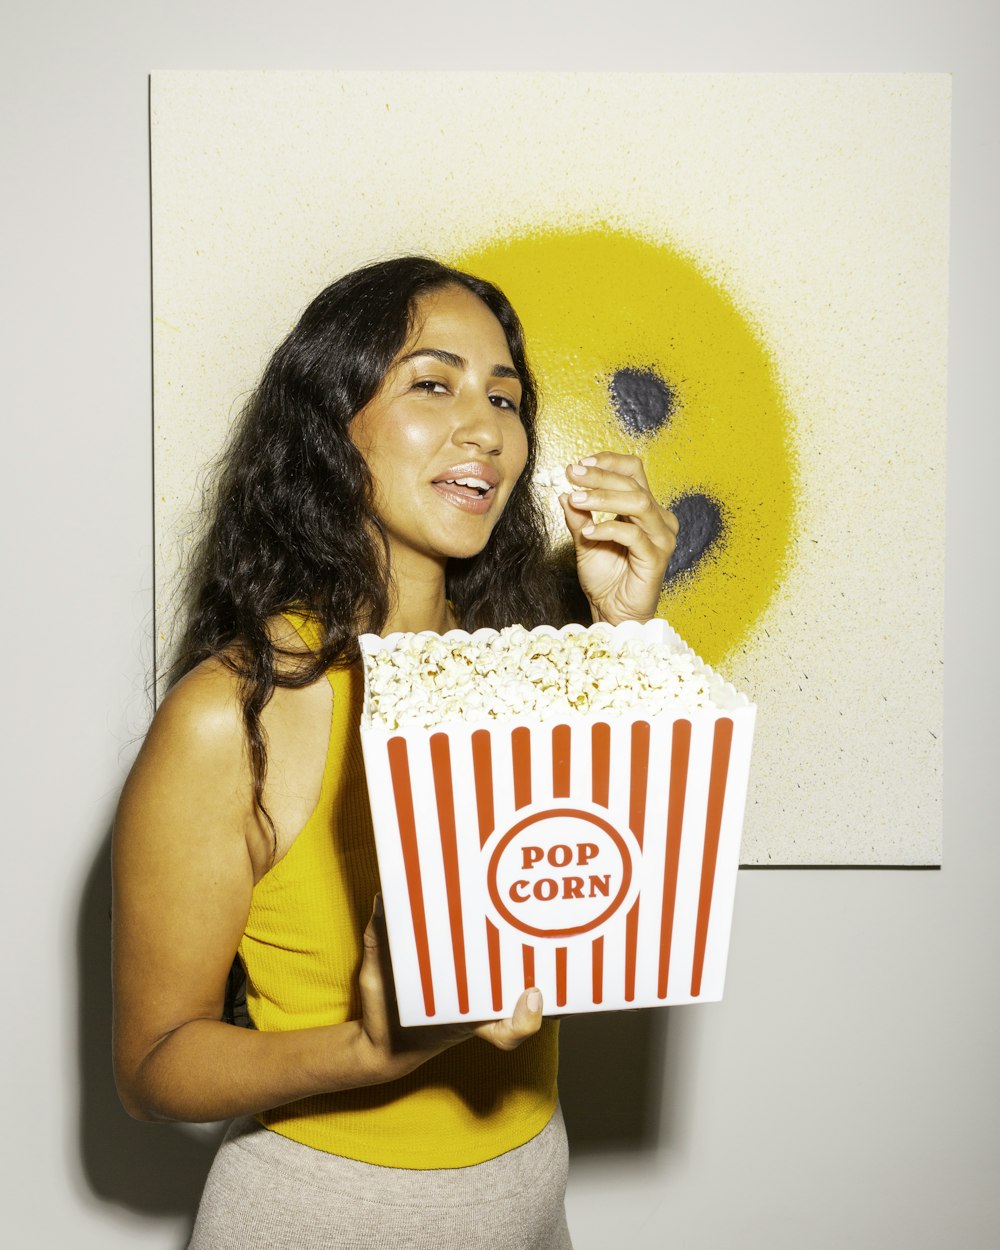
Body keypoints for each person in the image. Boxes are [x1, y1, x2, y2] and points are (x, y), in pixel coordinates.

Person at [112, 256, 678, 1249]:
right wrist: (374, 1047)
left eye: (505, 396)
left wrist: (625, 633)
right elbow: (155, 1064)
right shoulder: (233, 711)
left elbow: (606, 911)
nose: (487, 424)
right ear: (331, 423)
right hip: (327, 1209)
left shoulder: (525, 666)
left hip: (532, 1186)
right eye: (433, 381)